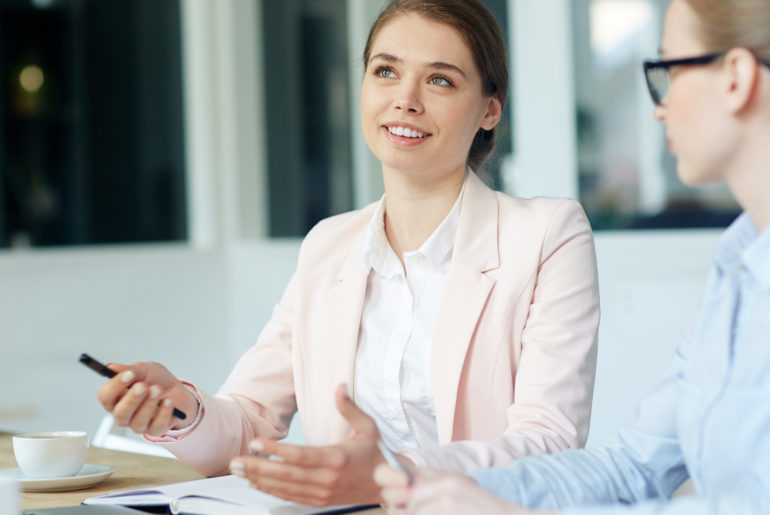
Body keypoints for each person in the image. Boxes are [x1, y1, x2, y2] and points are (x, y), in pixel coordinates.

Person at [94, 0, 600, 507]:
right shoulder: (329, 245)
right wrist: (179, 410)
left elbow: (550, 442)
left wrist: (394, 473)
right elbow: (250, 425)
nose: (405, 100)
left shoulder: (547, 234)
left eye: (440, 80)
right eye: (385, 71)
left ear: (490, 108)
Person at [374, 0, 770, 513]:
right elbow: (634, 467)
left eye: (667, 69)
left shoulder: (548, 232)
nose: (659, 106)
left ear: (735, 77)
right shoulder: (738, 269)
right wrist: (444, 488)